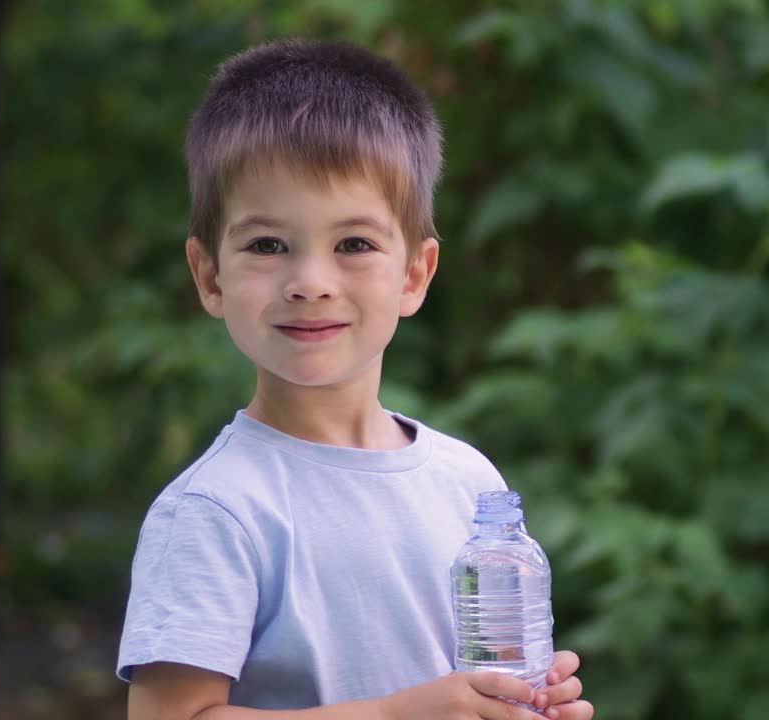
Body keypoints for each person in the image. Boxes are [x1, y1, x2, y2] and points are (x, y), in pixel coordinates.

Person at [115, 38, 594, 720]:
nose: (310, 283)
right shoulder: (215, 511)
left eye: (354, 245)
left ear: (414, 274)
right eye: (268, 246)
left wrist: (520, 702)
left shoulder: (470, 486)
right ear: (209, 276)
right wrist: (396, 715)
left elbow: (463, 696)